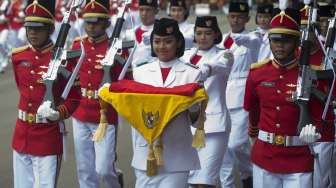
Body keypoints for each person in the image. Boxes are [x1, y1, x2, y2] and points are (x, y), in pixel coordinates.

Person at [244, 7, 335, 188]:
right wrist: (254, 137)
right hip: (265, 155)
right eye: (275, 40)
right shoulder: (257, 73)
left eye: (286, 41)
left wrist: (315, 132)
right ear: (269, 41)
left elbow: (324, 117)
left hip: (299, 157)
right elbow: (253, 111)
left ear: (296, 42)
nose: (279, 46)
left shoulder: (314, 75)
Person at [11, 0, 80, 187]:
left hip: (47, 136)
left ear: (50, 29)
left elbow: (74, 97)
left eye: (38, 28)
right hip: (22, 134)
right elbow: (24, 91)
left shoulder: (65, 60)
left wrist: (58, 113)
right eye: (29, 28)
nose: (32, 32)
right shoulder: (18, 57)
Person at [131, 17, 201, 188]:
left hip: (177, 155)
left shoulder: (192, 74)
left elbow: (197, 121)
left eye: (168, 41)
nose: (162, 46)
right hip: (146, 155)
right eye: (157, 41)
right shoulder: (140, 72)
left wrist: (193, 106)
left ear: (178, 43)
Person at [69, 0, 124, 187]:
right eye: (88, 22)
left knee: (104, 169)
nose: (90, 26)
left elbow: (125, 81)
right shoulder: (78, 45)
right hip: (80, 112)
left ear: (106, 23)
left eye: (96, 22)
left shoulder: (117, 47)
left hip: (105, 114)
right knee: (85, 168)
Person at [181, 16, 233, 188]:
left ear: (216, 34)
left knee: (205, 182)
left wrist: (206, 69)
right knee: (189, 182)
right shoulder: (186, 56)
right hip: (187, 124)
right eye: (199, 33)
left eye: (208, 33)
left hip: (214, 126)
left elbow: (221, 65)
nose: (203, 37)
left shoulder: (224, 54)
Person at [219, 2, 256, 188]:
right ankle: (230, 184)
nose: (236, 20)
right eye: (232, 16)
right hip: (221, 98)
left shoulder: (253, 38)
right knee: (223, 149)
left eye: (240, 17)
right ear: (228, 18)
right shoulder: (222, 40)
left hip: (242, 98)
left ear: (247, 19)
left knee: (237, 144)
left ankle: (248, 172)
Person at [130, 0, 158, 68]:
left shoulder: (162, 31)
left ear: (156, 11)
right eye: (141, 10)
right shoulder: (131, 33)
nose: (144, 13)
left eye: (148, 10)